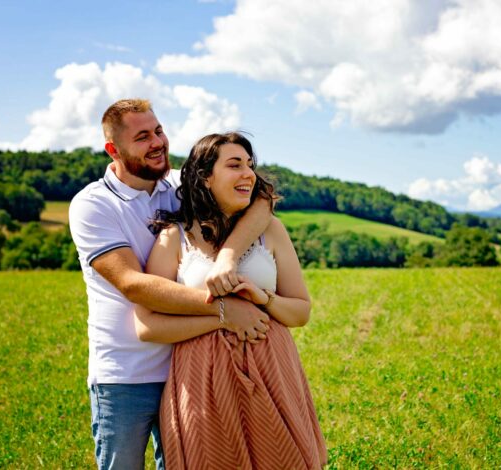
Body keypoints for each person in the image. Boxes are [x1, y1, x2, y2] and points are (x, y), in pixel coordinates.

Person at [69, 99, 272, 470]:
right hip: (125, 373)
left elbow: (262, 200)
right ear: (113, 150)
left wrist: (227, 256)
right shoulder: (93, 205)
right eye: (143, 137)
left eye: (159, 131)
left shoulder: (180, 184)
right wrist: (224, 311)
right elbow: (133, 284)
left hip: (189, 366)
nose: (157, 142)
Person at [134, 132, 327, 469]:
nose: (248, 174)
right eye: (234, 165)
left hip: (272, 371)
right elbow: (147, 326)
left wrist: (263, 299)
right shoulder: (174, 237)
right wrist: (224, 316)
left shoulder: (272, 230)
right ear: (205, 178)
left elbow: (301, 311)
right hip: (202, 381)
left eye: (250, 165)